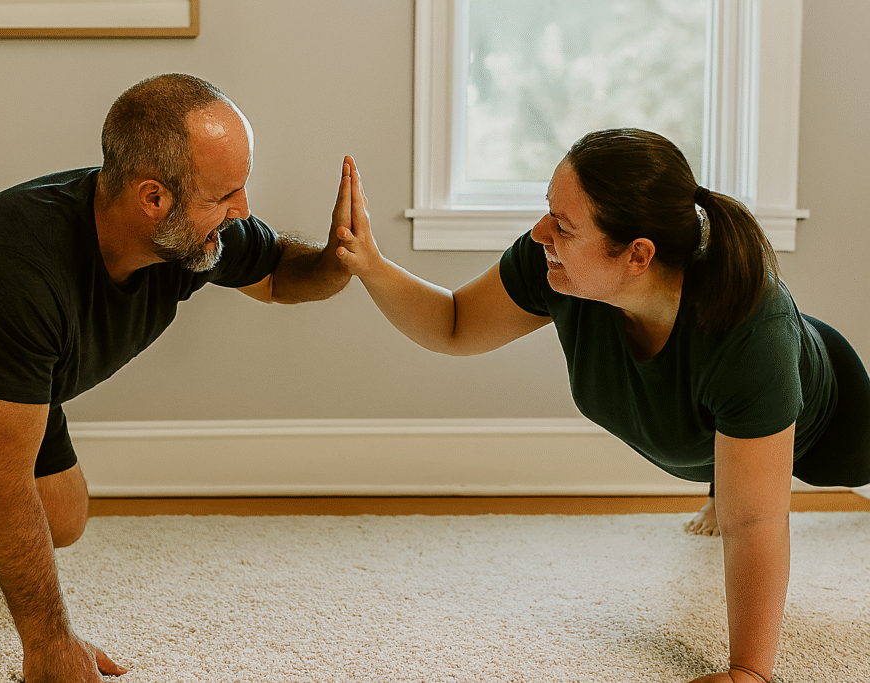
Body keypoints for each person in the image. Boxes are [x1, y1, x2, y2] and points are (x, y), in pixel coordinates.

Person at [0, 74, 355, 682]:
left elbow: (277, 279)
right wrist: (50, 643)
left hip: (2, 377)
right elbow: (7, 487)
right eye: (224, 194)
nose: (241, 209)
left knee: (61, 520)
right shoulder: (20, 266)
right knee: (8, 491)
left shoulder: (191, 239)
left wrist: (338, 259)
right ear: (153, 199)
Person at [334, 129, 870, 683]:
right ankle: (721, 479)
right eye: (547, 211)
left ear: (638, 254)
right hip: (720, 424)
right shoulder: (554, 269)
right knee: (731, 473)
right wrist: (370, 264)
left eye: (563, 226)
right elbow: (454, 323)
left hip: (833, 422)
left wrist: (749, 673)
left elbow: (756, 519)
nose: (541, 232)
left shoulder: (751, 331)